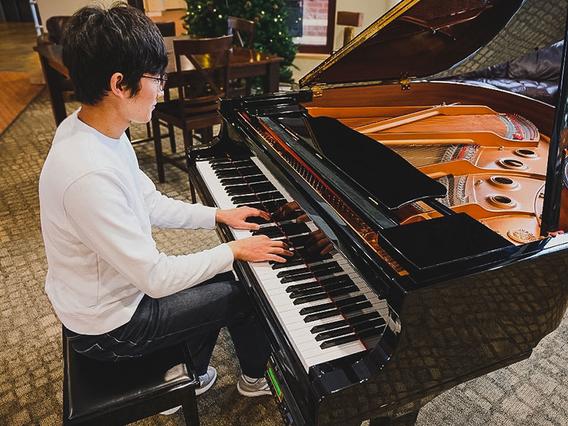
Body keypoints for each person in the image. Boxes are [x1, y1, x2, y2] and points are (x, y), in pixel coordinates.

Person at [38, 3, 293, 399]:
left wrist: (217, 215)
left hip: (108, 296)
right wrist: (235, 250)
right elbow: (156, 279)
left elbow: (150, 202)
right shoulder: (88, 174)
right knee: (246, 291)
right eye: (157, 79)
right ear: (120, 84)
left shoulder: (93, 128)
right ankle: (237, 378)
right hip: (109, 329)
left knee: (227, 270)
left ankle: (189, 362)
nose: (161, 90)